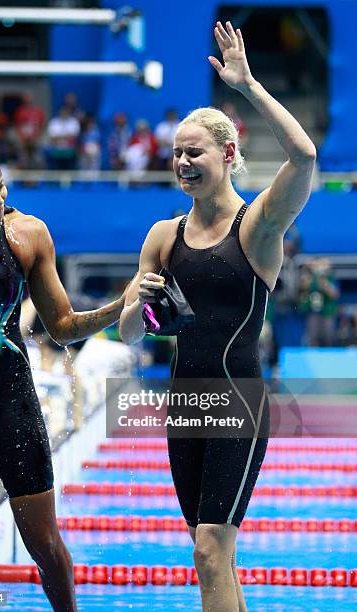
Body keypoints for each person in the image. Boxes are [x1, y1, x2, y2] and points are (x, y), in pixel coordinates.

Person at [119, 20, 316, 612]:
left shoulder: (256, 228)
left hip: (238, 398)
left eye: (194, 151)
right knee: (211, 554)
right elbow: (128, 331)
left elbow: (304, 157)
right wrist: (140, 304)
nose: (181, 161)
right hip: (185, 403)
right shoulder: (162, 234)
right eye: (176, 153)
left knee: (210, 550)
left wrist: (248, 84)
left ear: (228, 154)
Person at [0, 141, 127, 612]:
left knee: (43, 543)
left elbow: (62, 328)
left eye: (0, 187)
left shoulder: (27, 235)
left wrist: (122, 307)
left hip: (10, 392)